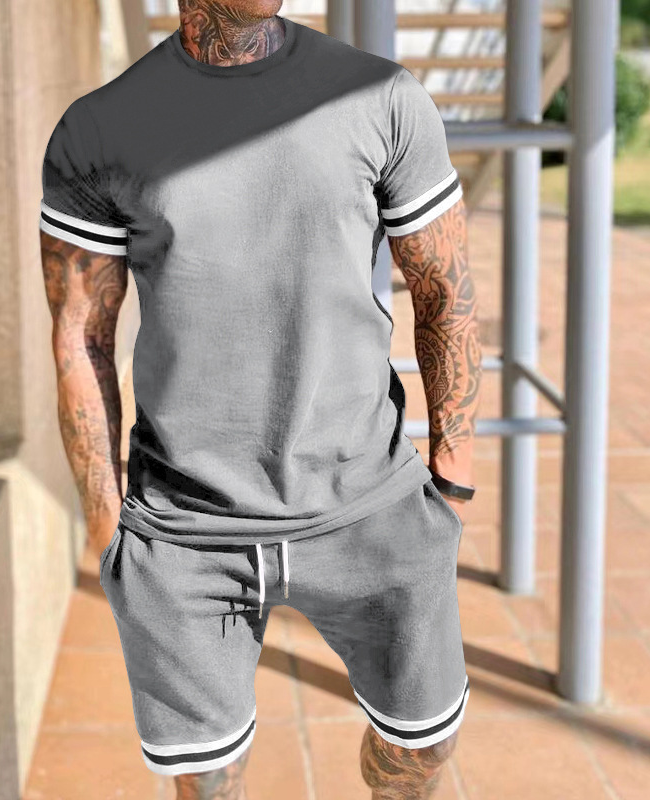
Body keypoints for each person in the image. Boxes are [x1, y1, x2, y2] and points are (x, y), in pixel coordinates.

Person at [39, 3, 482, 798]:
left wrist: (451, 475)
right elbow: (82, 338)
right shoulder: (99, 129)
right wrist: (109, 533)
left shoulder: (380, 98)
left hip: (370, 507)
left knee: (422, 752)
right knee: (206, 785)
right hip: (187, 531)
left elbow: (443, 291)